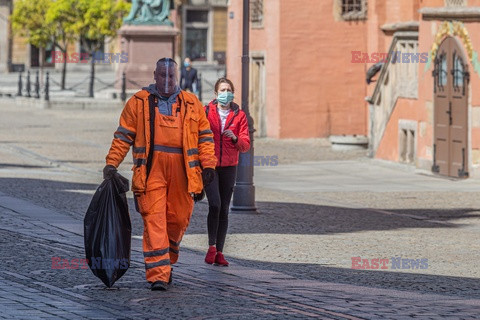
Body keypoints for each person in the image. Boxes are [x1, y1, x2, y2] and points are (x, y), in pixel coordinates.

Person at [103, 58, 216, 291]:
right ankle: (158, 275)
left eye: (171, 76)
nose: (167, 80)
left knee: (177, 220)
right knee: (155, 221)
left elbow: (205, 138)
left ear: (177, 77)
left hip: (184, 174)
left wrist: (209, 166)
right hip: (151, 171)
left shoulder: (192, 103)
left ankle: (167, 262)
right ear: (155, 76)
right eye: (162, 76)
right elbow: (123, 136)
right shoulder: (138, 103)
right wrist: (112, 163)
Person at [203, 78, 250, 266]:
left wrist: (235, 138)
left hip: (230, 166)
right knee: (214, 204)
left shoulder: (239, 115)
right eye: (222, 90)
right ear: (216, 94)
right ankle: (211, 246)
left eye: (229, 90)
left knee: (224, 209)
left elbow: (245, 145)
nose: (226, 93)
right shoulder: (206, 112)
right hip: (210, 164)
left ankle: (220, 252)